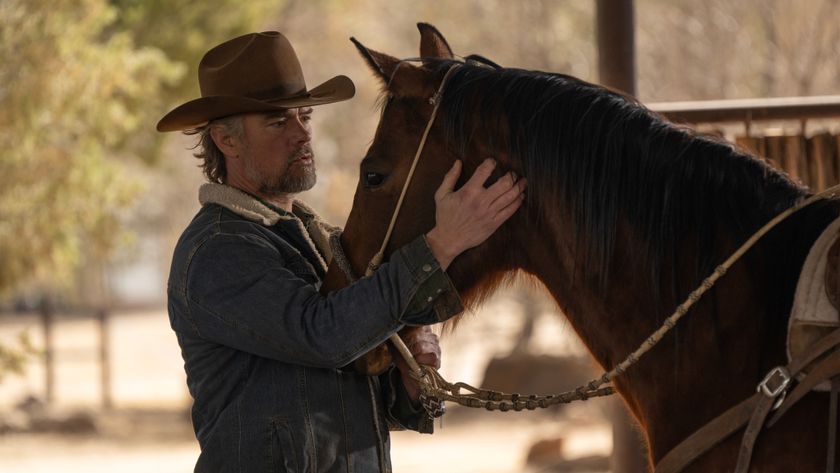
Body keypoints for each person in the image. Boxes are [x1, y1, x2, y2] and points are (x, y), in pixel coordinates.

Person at [157, 31, 526, 473]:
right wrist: (441, 245)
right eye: (277, 122)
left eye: (305, 115)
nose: (302, 134)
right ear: (226, 140)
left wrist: (408, 385)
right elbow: (322, 336)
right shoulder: (217, 250)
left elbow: (342, 394)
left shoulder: (317, 239)